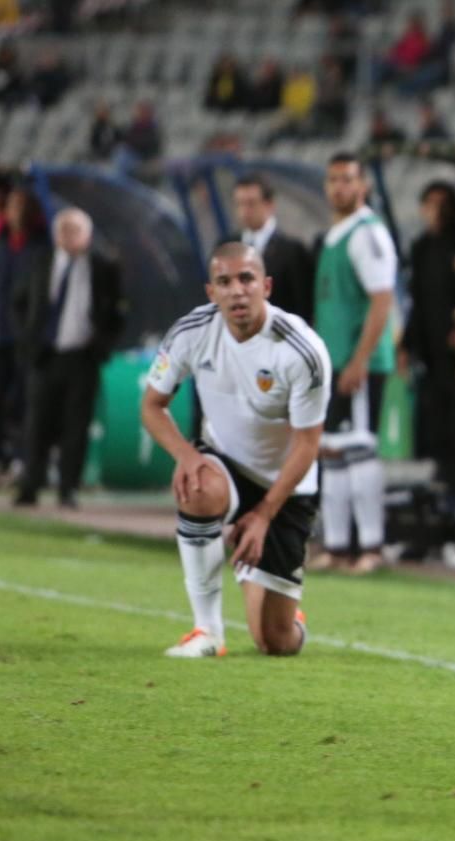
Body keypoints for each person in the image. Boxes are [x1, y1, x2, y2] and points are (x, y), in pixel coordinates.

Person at [141, 243, 331, 658]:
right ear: (211, 292)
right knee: (197, 486)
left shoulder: (302, 351)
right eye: (224, 282)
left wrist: (264, 514)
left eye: (246, 279)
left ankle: (284, 611)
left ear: (265, 286)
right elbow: (152, 407)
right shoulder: (192, 332)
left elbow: (307, 444)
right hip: (225, 462)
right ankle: (207, 632)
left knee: (274, 643)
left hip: (286, 485)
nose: (236, 291)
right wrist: (187, 456)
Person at [311, 153, 399, 575]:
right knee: (332, 452)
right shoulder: (335, 235)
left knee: (360, 450)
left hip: (357, 363)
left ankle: (372, 546)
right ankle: (338, 544)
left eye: (347, 179)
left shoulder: (367, 234)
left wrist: (360, 360)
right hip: (334, 362)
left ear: (362, 186)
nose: (338, 187)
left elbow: (383, 300)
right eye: (333, 179)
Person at [13, 208, 124, 508]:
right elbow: (20, 302)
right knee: (36, 423)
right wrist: (28, 339)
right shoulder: (40, 262)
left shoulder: (103, 267)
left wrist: (102, 345)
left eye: (75, 230)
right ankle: (30, 486)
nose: (69, 235)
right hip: (45, 355)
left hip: (82, 357)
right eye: (64, 229)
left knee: (76, 425)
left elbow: (116, 313)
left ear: (88, 235)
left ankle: (68, 488)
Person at [402, 181, 455, 495]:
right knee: (434, 427)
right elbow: (418, 302)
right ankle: (442, 501)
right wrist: (406, 346)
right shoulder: (420, 248)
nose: (437, 212)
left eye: (443, 204)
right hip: (431, 356)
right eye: (430, 204)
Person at [0, 186, 46, 482]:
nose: (12, 211)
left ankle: (23, 457)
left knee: (24, 400)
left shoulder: (41, 247)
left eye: (18, 206)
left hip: (25, 337)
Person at [227, 175, 315, 323]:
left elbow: (303, 307)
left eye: (251, 203)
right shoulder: (227, 247)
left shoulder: (292, 251)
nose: (245, 211)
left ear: (269, 204)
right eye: (240, 204)